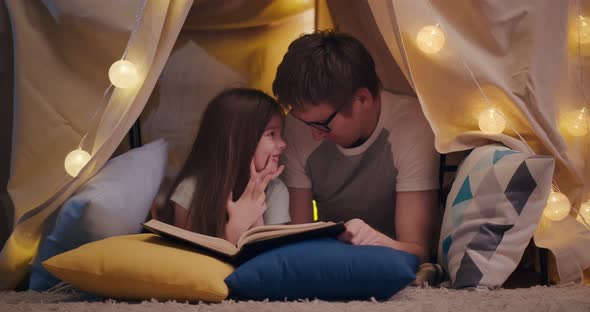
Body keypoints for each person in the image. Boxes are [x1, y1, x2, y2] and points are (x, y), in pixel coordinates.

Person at [272, 30, 439, 263]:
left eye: (322, 124)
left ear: (363, 99)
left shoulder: (412, 126)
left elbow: (418, 252)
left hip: (391, 256)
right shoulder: (296, 129)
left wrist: (374, 240)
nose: (314, 134)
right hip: (334, 255)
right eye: (304, 122)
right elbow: (299, 241)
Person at [161, 88, 290, 245]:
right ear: (238, 141)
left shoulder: (276, 190)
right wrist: (236, 227)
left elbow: (271, 262)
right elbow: (189, 263)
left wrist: (256, 212)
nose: (283, 144)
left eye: (281, 135)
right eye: (271, 134)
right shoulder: (191, 191)